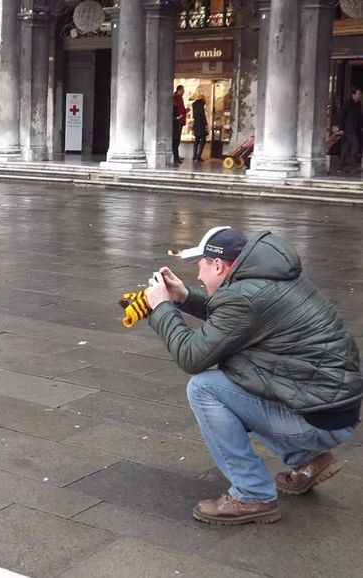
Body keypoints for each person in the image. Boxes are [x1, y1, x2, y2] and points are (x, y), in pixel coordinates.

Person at [144, 226, 362, 526]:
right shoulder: (268, 278)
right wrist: (183, 298)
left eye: (201, 265)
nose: (198, 275)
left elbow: (191, 356)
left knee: (205, 388)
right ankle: (307, 459)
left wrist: (162, 309)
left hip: (319, 418)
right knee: (236, 377)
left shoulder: (245, 298)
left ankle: (252, 495)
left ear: (218, 265)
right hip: (332, 408)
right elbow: (234, 319)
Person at [339, 87, 362, 172]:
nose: (360, 96)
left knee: (347, 147)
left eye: (360, 94)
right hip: (348, 129)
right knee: (356, 145)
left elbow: (359, 117)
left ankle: (341, 165)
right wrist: (341, 128)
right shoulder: (347, 104)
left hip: (355, 129)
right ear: (353, 95)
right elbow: (342, 116)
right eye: (358, 94)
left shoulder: (358, 104)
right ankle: (353, 165)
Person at [172, 85, 188, 165]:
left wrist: (185, 111)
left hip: (179, 121)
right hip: (177, 122)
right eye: (183, 90)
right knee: (176, 140)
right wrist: (178, 117)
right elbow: (177, 111)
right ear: (179, 90)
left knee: (177, 140)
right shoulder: (176, 98)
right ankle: (175, 157)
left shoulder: (179, 98)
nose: (184, 91)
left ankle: (176, 156)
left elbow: (180, 110)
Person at [192, 93, 207, 162]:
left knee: (196, 141)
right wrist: (206, 124)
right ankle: (198, 156)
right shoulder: (201, 106)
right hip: (201, 126)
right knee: (203, 141)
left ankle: (194, 155)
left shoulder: (194, 105)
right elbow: (202, 116)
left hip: (196, 125)